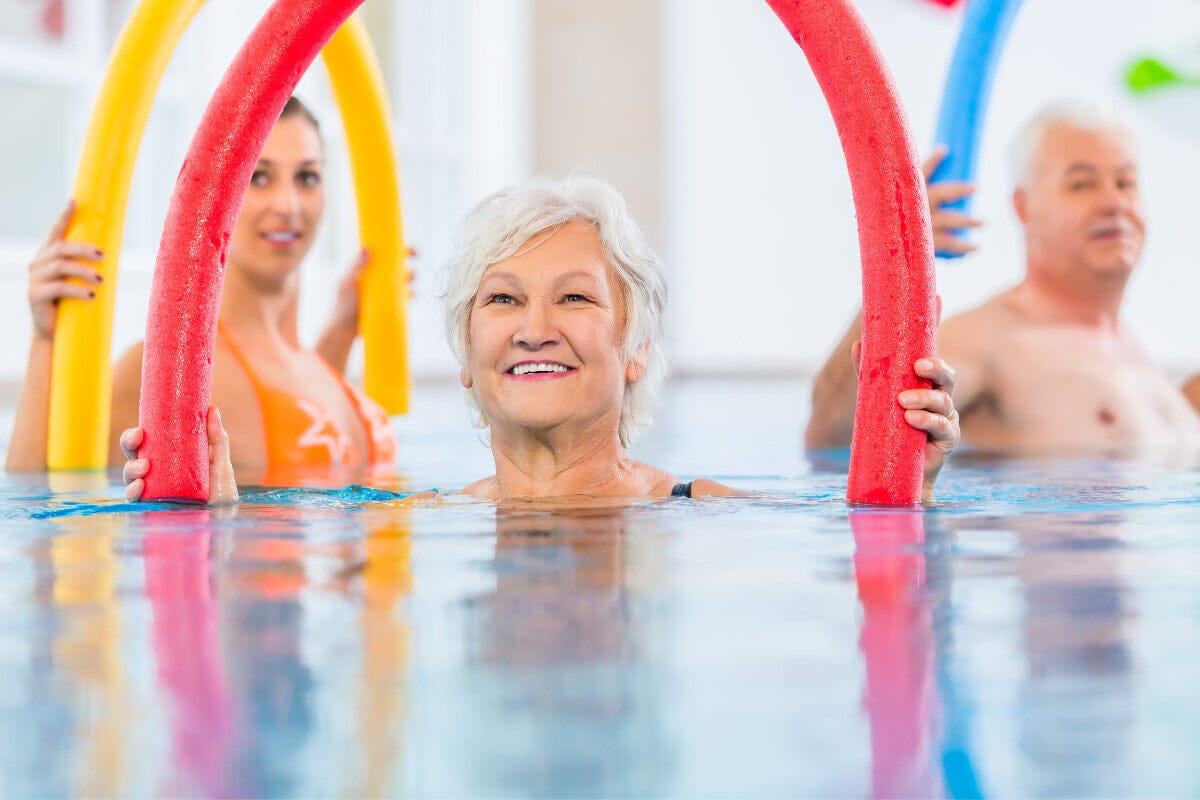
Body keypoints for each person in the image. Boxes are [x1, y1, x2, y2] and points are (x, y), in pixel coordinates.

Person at [124, 173, 960, 505]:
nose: (533, 328)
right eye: (501, 299)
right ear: (463, 361)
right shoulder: (414, 520)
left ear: (635, 348)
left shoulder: (702, 512)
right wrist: (209, 530)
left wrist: (911, 494)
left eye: (573, 297)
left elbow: (885, 590)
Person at [6, 97, 395, 482]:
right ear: (215, 194)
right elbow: (39, 500)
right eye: (258, 176)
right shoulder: (169, 369)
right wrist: (46, 340)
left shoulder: (316, 365)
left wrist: (344, 328)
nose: (287, 204)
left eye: (307, 177)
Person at [807, 100, 1200, 456]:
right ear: (1023, 207)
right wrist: (895, 262)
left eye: (1125, 182)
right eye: (1081, 183)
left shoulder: (1140, 358)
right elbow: (833, 436)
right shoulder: (988, 342)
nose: (1114, 202)